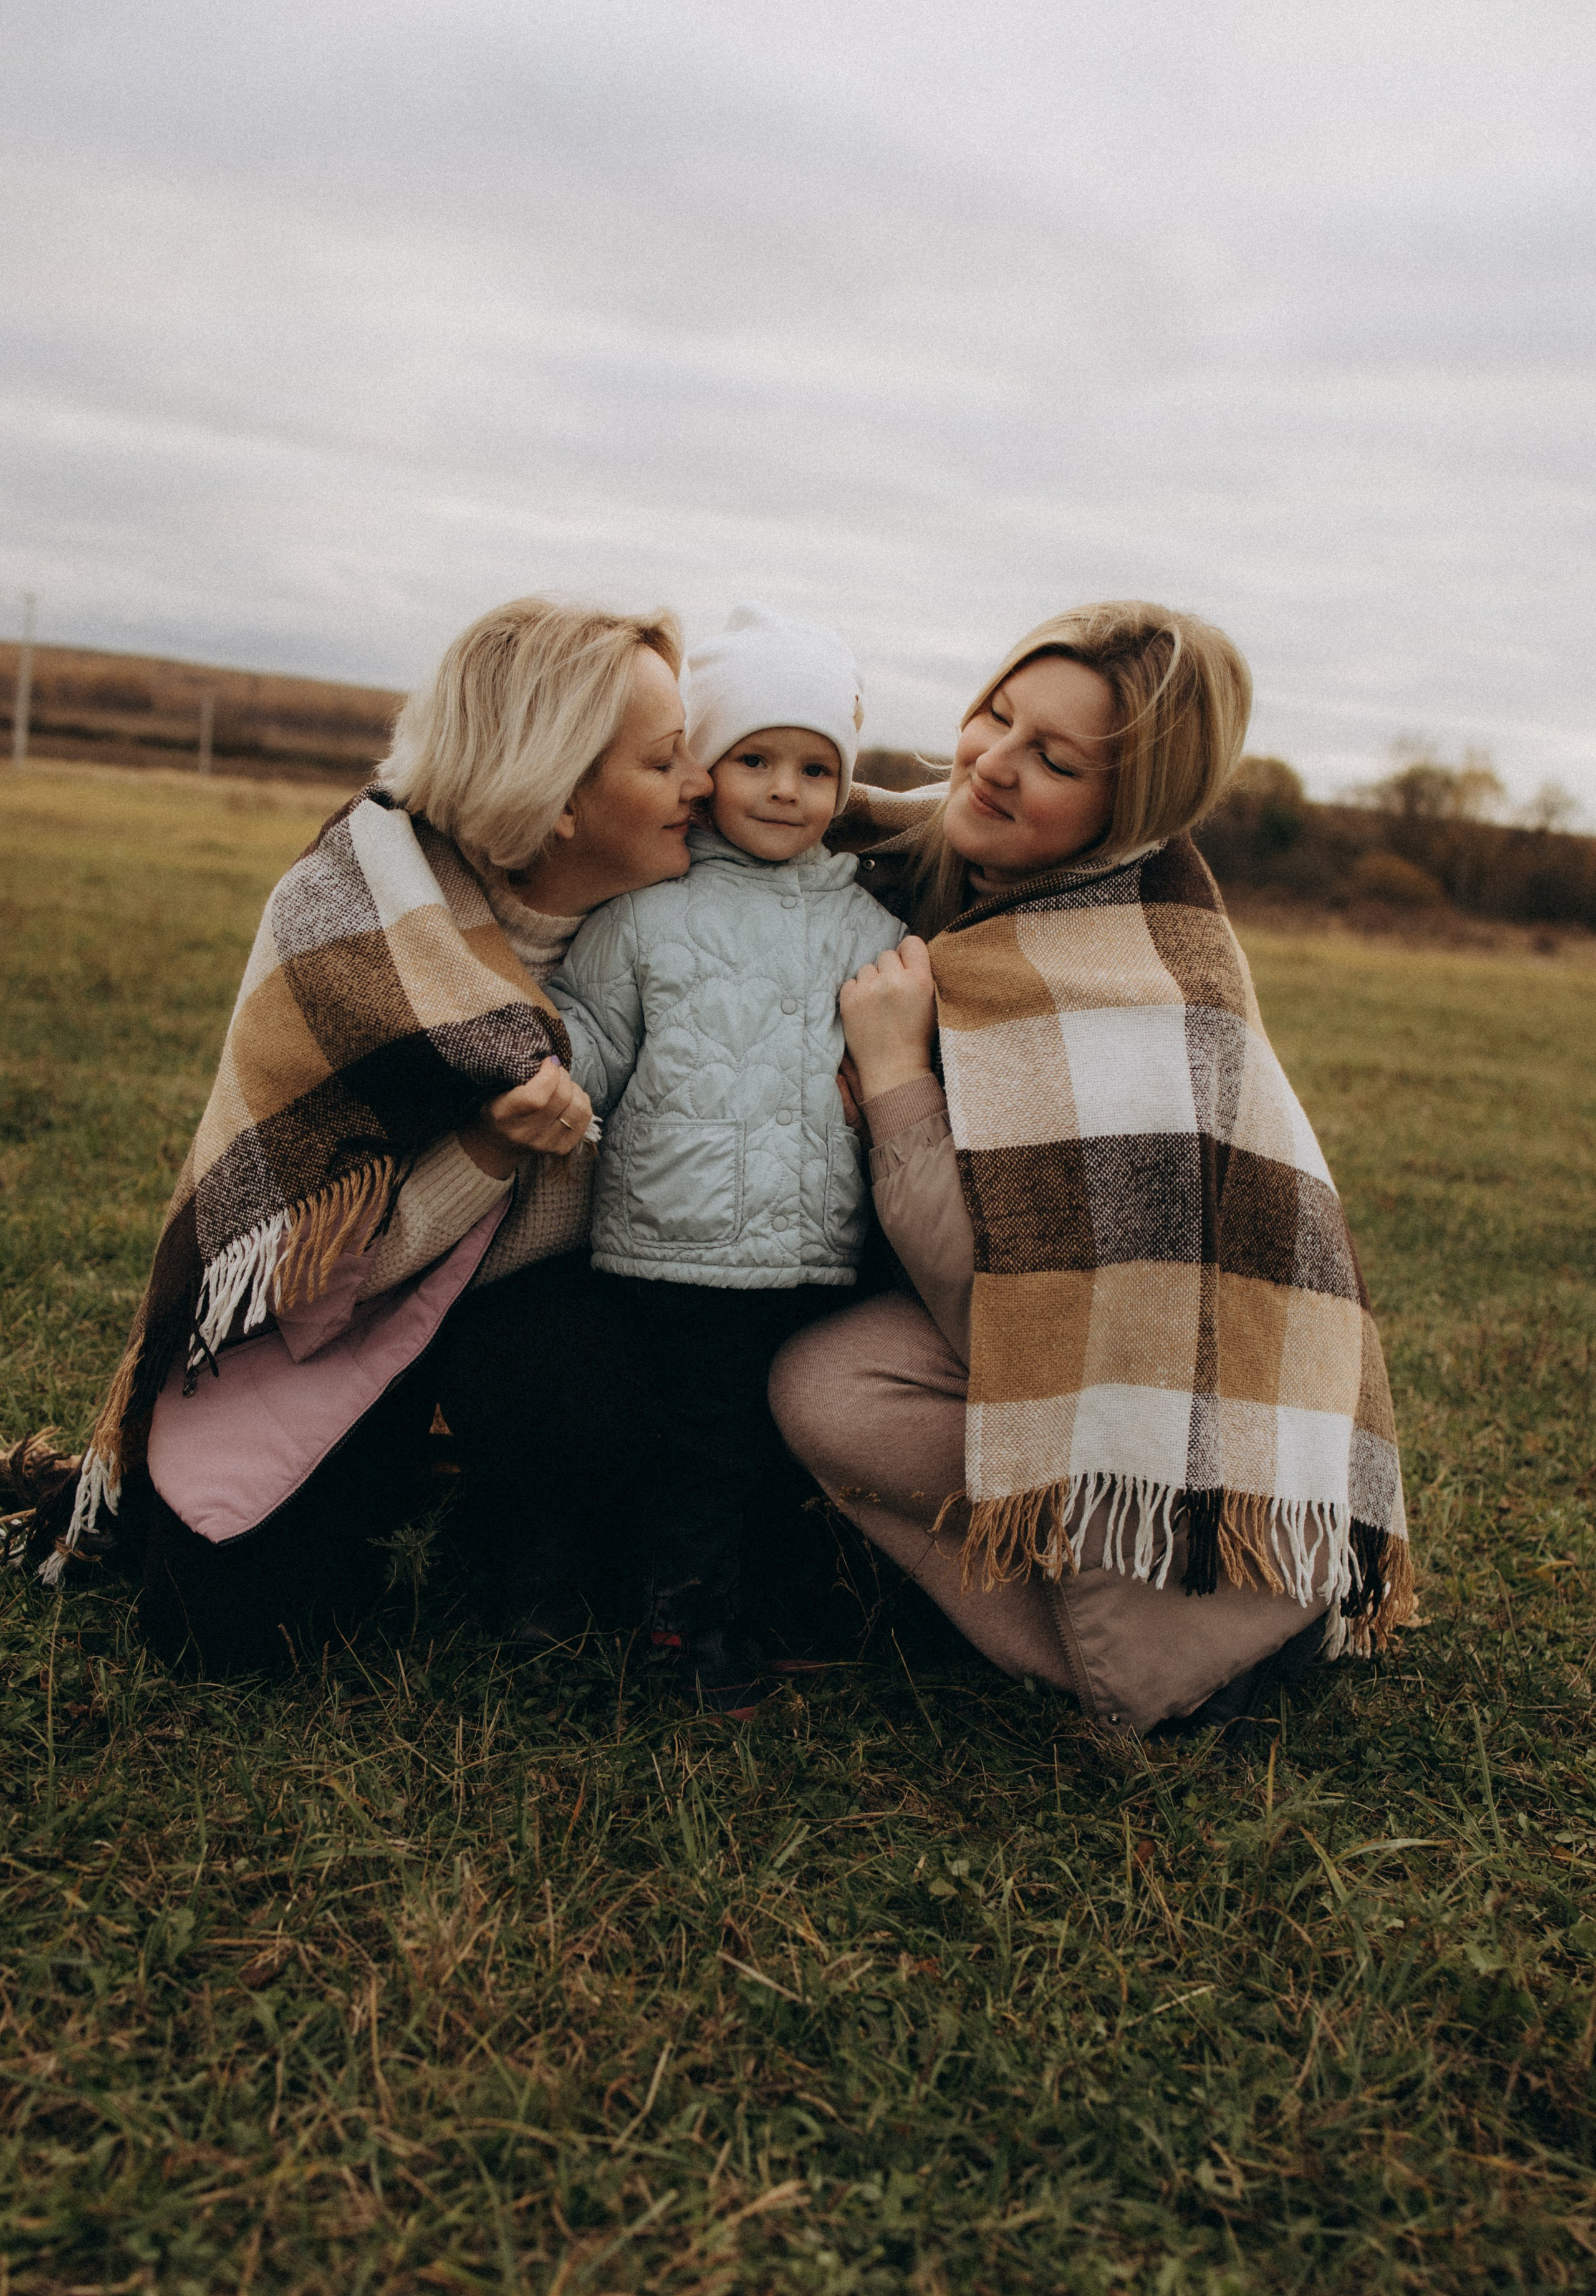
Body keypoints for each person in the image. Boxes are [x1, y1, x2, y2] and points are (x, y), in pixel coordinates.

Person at [21, 597, 715, 1673]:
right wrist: (487, 1151)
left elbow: (883, 814)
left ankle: (529, 1540)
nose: (705, 786)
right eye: (670, 762)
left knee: (567, 1387)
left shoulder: (724, 902)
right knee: (234, 1633)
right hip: (339, 1310)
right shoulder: (363, 921)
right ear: (564, 796)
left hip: (543, 1309)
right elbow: (313, 1264)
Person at [771, 601, 1415, 1739]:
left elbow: (1002, 1306)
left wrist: (892, 1081)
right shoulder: (934, 858)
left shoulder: (1153, 974)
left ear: (1134, 813)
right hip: (1114, 1373)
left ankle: (1183, 1661)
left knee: (830, 1386)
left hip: (1195, 1425)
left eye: (1056, 760)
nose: (994, 764)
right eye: (997, 715)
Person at [541, 605, 906, 1707]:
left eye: (814, 767)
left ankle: (762, 1605)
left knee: (784, 1455)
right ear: (704, 764)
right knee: (702, 1451)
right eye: (753, 759)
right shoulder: (649, 911)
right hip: (676, 1244)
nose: (785, 790)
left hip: (811, 1250)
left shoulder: (869, 930)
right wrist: (548, 1072)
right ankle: (676, 1636)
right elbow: (594, 1031)